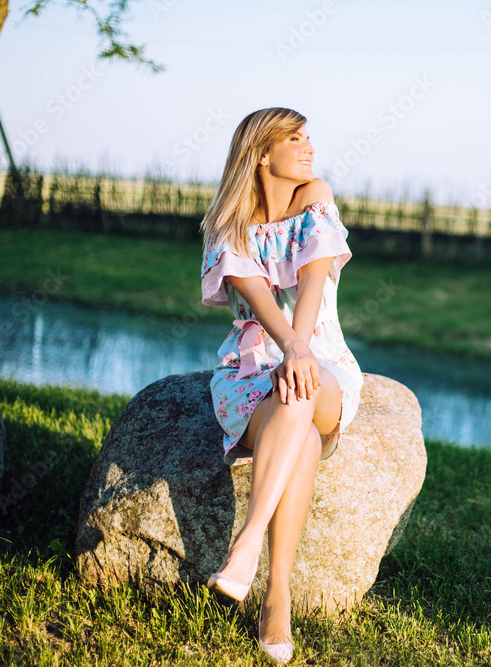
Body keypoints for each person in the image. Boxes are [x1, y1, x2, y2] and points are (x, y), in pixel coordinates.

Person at [198, 107, 364, 662]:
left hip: (324, 363)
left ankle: (245, 549)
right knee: (299, 423)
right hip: (248, 375)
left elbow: (313, 281)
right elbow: (262, 300)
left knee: (303, 388)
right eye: (295, 138)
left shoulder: (315, 198)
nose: (309, 146)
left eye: (308, 135)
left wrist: (302, 350)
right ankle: (277, 595)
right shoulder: (229, 226)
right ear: (262, 153)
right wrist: (288, 350)